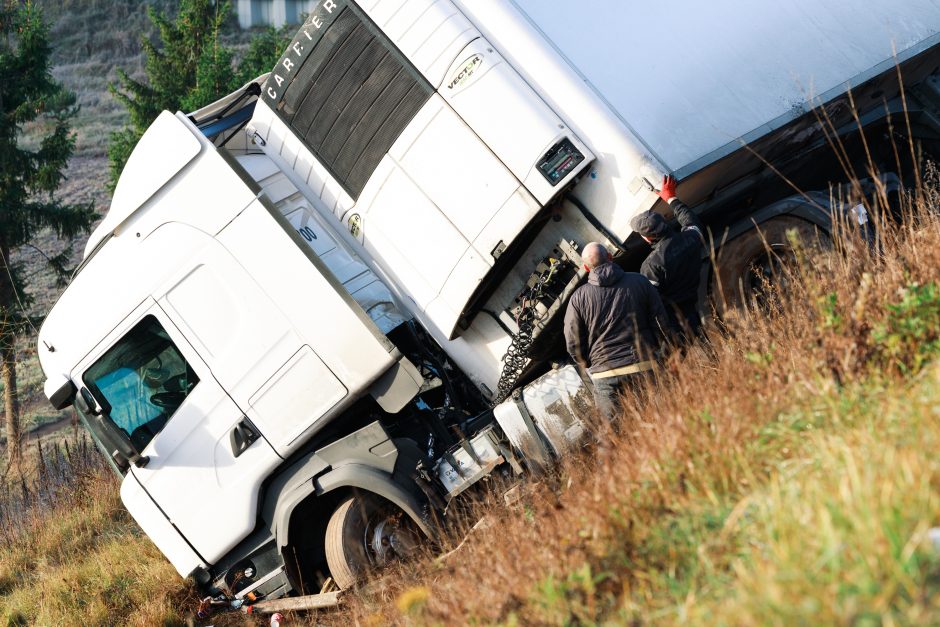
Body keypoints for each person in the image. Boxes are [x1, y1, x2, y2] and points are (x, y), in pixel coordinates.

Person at [564, 242, 669, 419]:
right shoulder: (639, 281)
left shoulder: (577, 299)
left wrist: (589, 362)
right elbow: (660, 320)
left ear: (586, 268)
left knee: (617, 433)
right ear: (611, 257)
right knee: (663, 418)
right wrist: (660, 349)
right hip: (643, 363)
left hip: (605, 374)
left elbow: (572, 340)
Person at [630, 175, 705, 338]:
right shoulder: (691, 238)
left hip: (673, 325)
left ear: (647, 238)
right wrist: (671, 198)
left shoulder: (652, 264)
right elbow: (690, 220)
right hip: (692, 309)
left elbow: (649, 303)